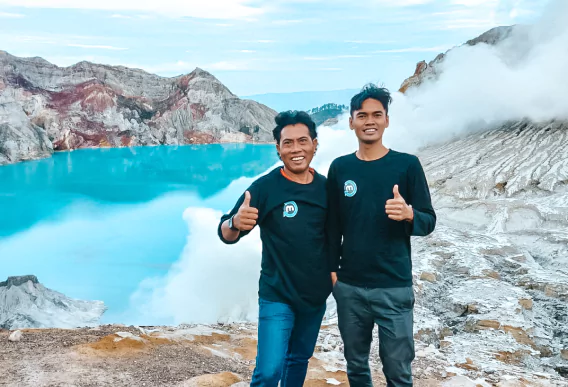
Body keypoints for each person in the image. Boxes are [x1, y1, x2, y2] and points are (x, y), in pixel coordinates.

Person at [326, 84, 436, 387]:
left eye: (377, 114)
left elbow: (429, 221)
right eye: (362, 115)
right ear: (351, 122)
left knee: (398, 370)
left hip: (393, 287)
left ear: (387, 120)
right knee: (356, 365)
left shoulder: (407, 165)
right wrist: (333, 274)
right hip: (350, 288)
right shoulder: (341, 167)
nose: (369, 121)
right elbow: (333, 226)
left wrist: (410, 214)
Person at [218, 110, 332, 387]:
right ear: (278, 149)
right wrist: (235, 222)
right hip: (277, 295)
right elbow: (226, 233)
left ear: (315, 144)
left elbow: (337, 238)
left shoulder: (327, 189)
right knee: (269, 372)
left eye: (303, 141)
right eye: (288, 143)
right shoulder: (265, 188)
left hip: (315, 298)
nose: (296, 149)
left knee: (298, 362)